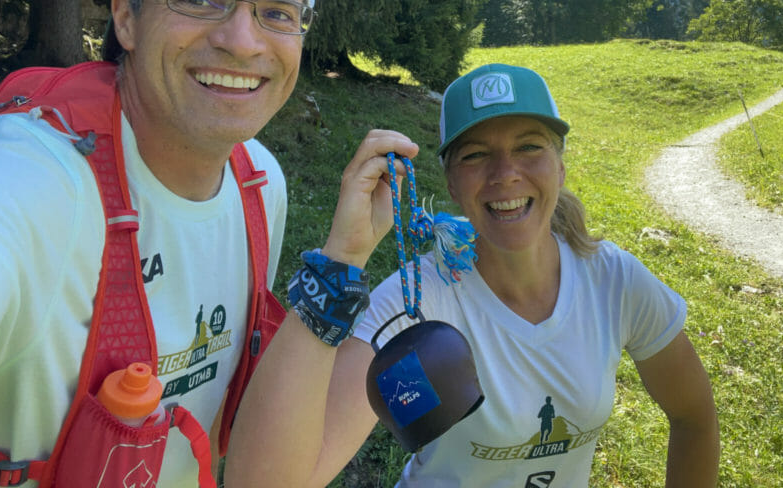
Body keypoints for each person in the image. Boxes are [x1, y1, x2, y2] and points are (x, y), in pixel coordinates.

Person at [0, 0, 318, 486]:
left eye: (277, 13)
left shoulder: (259, 182)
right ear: (125, 16)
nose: (242, 40)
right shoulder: (21, 176)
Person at [226, 63, 720, 487]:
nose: (506, 173)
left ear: (561, 167)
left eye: (530, 147)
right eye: (476, 154)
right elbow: (277, 478)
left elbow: (694, 416)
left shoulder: (612, 281)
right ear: (452, 183)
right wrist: (342, 257)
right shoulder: (417, 303)